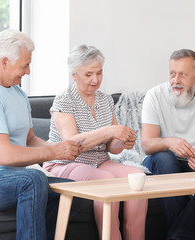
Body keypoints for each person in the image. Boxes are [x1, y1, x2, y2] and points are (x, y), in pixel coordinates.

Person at [0, 29, 82, 240]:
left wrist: (61, 150)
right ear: (4, 62)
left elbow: (29, 139)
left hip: (10, 177)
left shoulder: (18, 93)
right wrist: (53, 152)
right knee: (32, 179)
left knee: (73, 192)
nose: (28, 71)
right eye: (24, 65)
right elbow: (4, 156)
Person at [43, 44, 148, 240]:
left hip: (100, 160)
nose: (95, 80)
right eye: (89, 74)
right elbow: (71, 146)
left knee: (137, 176)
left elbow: (111, 147)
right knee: (107, 180)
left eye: (99, 73)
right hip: (66, 163)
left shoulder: (106, 100)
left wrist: (122, 142)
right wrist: (109, 130)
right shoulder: (64, 100)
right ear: (74, 75)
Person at [141, 49, 195, 240]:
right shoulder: (154, 95)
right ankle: (182, 235)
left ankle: (177, 235)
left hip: (193, 162)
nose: (175, 80)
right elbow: (147, 144)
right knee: (165, 158)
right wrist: (169, 142)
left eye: (183, 74)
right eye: (172, 73)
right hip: (159, 161)